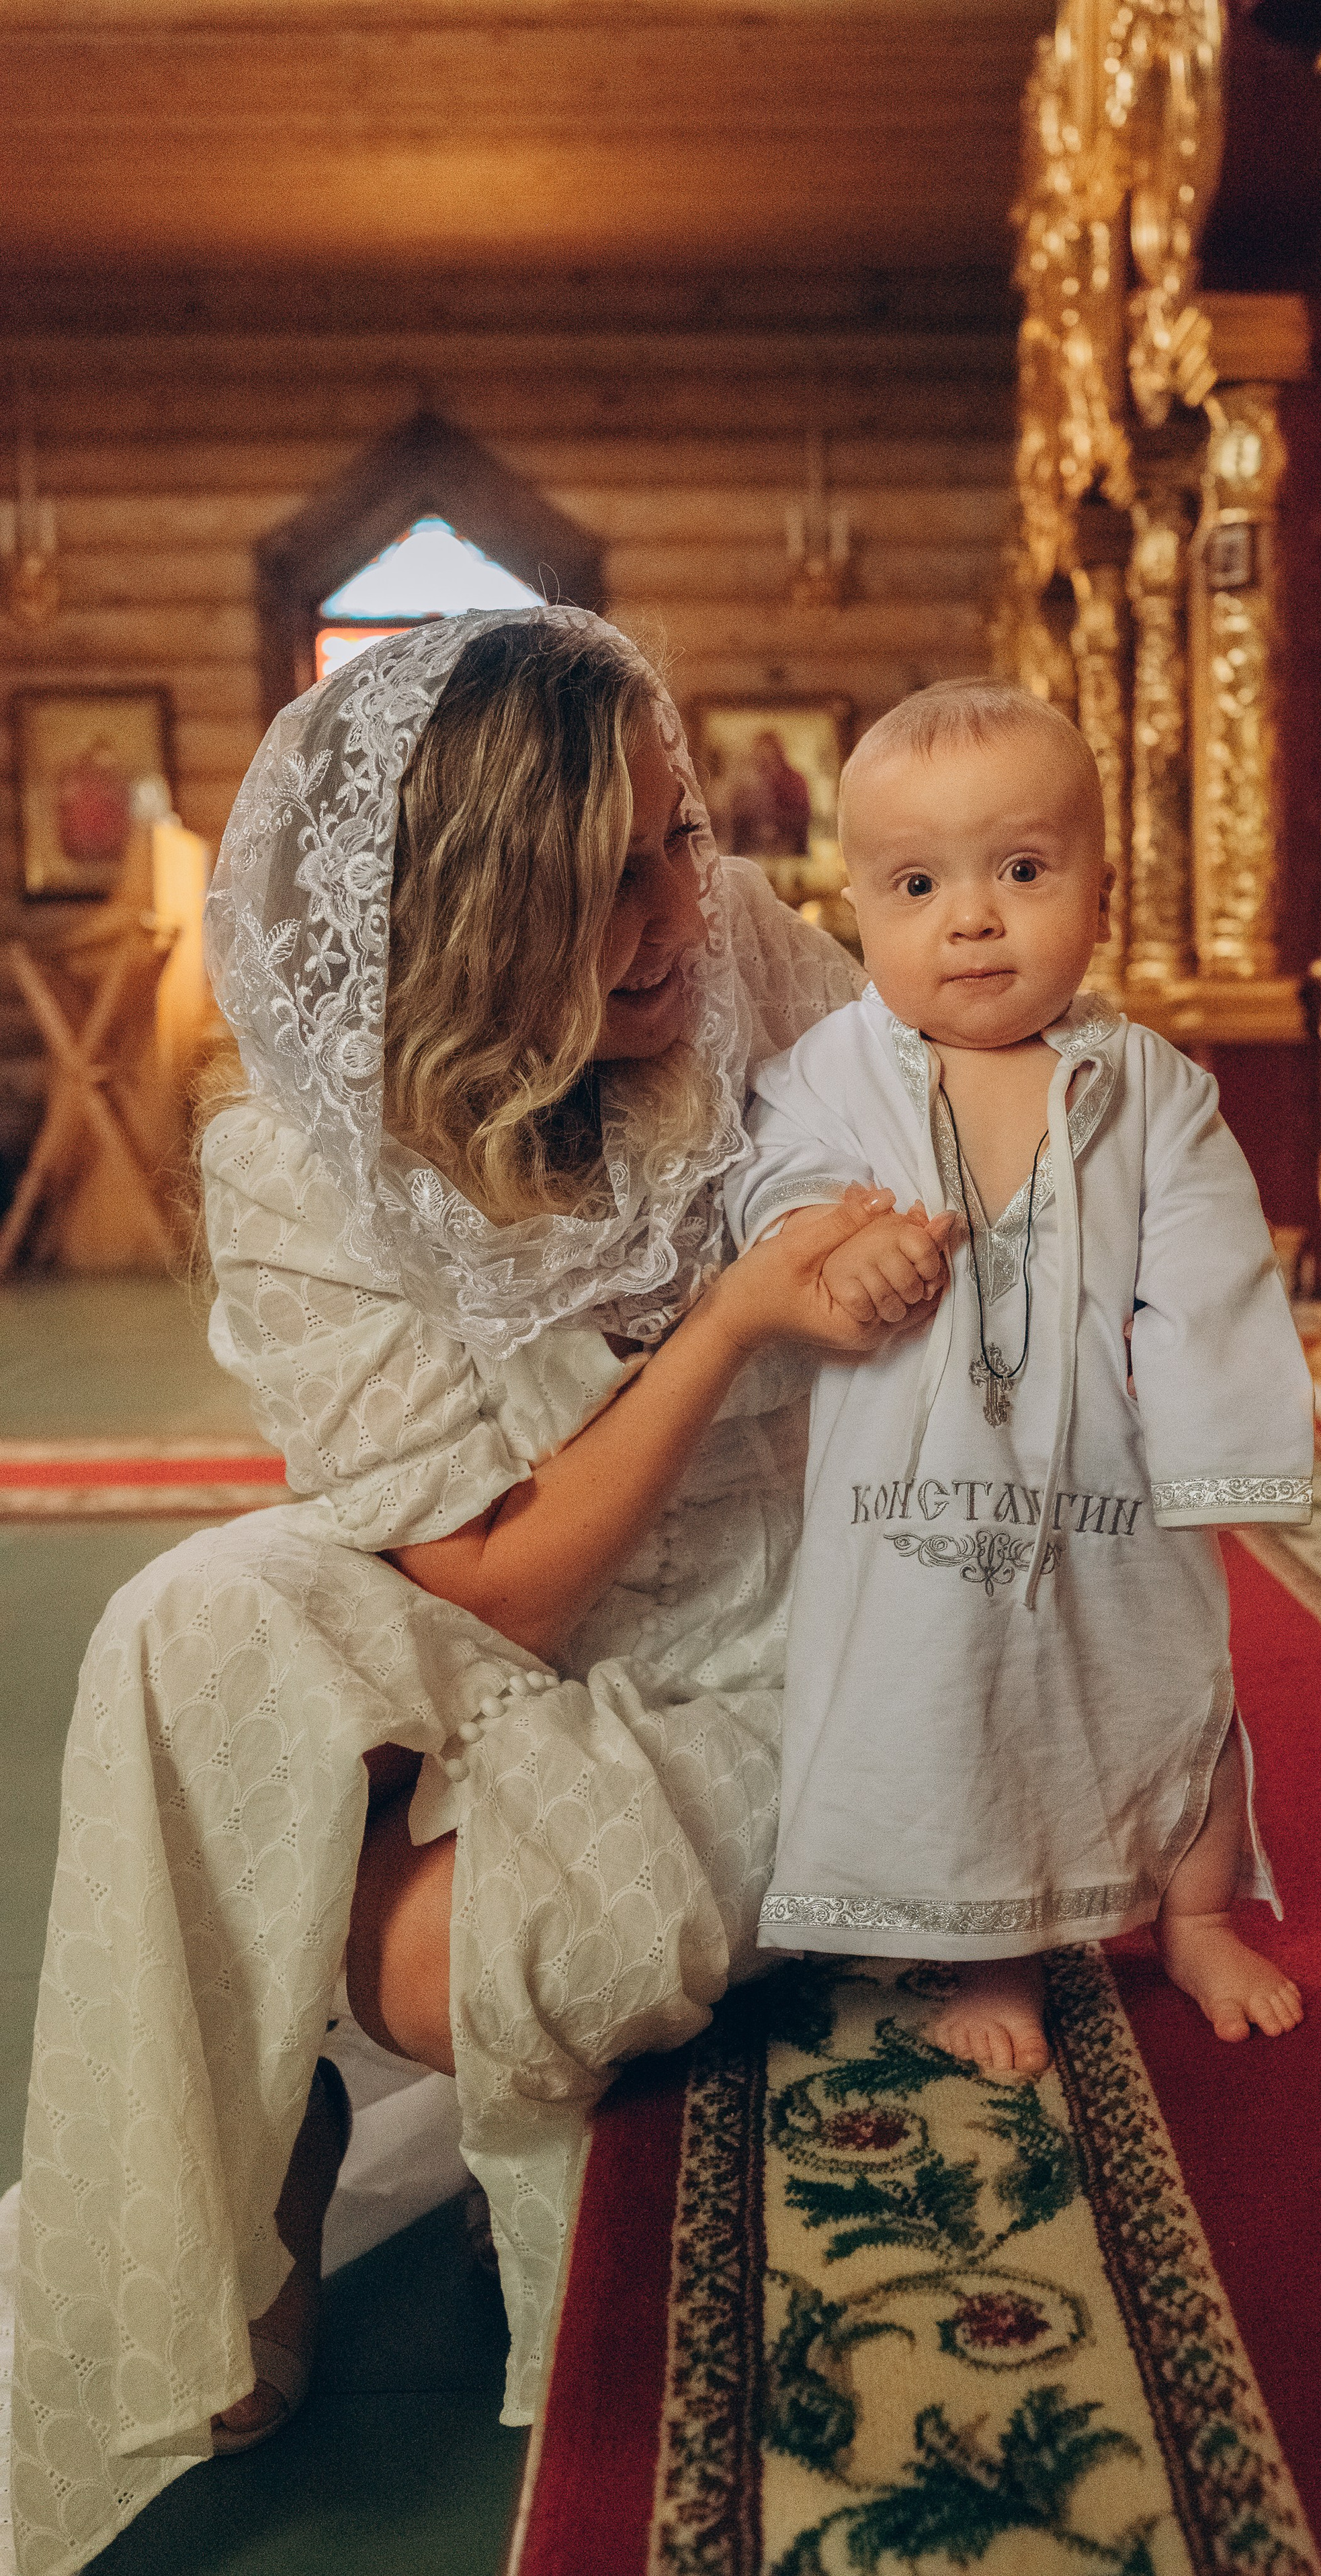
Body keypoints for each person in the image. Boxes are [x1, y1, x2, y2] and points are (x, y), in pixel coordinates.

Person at [9, 611, 922, 2576]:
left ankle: (302, 2016)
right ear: (472, 915)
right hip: (515, 1589)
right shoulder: (297, 1157)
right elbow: (492, 1586)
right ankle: (237, 2192)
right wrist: (730, 1321)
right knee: (183, 1627)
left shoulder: (736, 949)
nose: (678, 911)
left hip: (781, 1617)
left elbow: (930, 1130)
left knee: (450, 1962)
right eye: (604, 880)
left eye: (678, 836)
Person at [724, 678, 1315, 2079]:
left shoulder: (1149, 1086)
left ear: (1100, 890)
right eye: (918, 884)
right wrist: (835, 1244)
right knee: (956, 1700)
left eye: (1024, 871)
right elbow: (771, 1188)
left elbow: (1212, 1268)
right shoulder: (830, 1072)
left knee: (1170, 1684)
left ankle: (1195, 1912)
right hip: (908, 1489)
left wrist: (1212, 1454)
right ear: (857, 910)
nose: (971, 919)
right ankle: (992, 1949)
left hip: (1107, 1476)